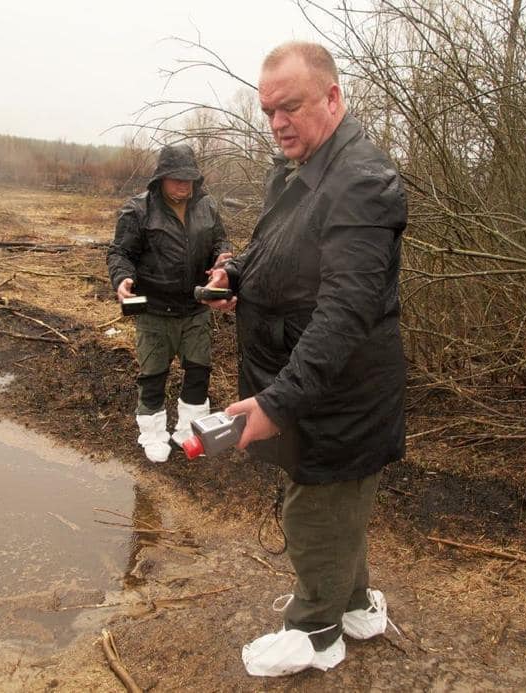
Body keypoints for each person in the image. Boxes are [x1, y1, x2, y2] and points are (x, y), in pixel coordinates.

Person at [204, 42, 408, 676]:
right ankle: (351, 605)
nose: (278, 122)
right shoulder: (298, 170)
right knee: (334, 500)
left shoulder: (361, 183)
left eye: (290, 106)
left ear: (333, 98)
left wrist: (276, 402)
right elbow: (279, 251)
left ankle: (316, 630)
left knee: (316, 501)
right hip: (313, 389)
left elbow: (345, 312)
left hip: (340, 393)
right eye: (268, 110)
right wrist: (236, 274)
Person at [107, 143, 230, 462]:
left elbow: (221, 241)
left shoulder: (208, 207)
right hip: (153, 309)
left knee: (199, 371)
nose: (183, 185)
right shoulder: (138, 210)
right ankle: (152, 434)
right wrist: (122, 279)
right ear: (160, 178)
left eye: (188, 178)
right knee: (153, 373)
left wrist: (222, 261)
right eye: (176, 178)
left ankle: (189, 431)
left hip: (195, 306)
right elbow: (120, 252)